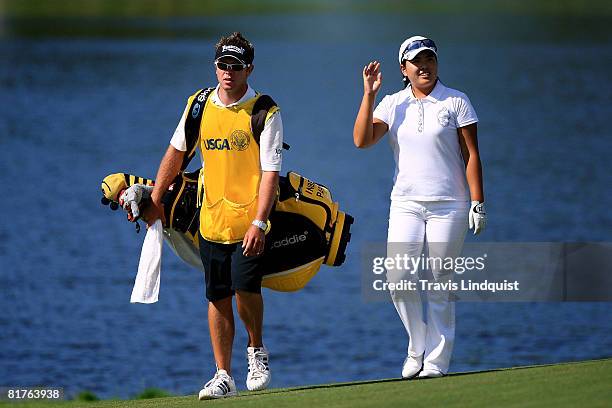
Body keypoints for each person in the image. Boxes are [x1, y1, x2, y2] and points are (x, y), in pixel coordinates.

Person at [143, 32, 283, 399]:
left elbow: (270, 172)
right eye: (223, 65)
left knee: (244, 289)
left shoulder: (265, 112)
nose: (228, 72)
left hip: (250, 222)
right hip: (211, 220)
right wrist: (155, 200)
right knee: (216, 296)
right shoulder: (199, 105)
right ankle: (223, 374)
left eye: (236, 66)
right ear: (215, 66)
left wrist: (259, 221)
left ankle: (256, 349)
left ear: (249, 68)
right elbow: (176, 153)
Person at [353, 36, 486, 379]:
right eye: (416, 61)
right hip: (406, 203)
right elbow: (362, 140)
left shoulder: (456, 101)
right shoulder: (392, 103)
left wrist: (478, 202)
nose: (424, 66)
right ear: (404, 68)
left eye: (430, 59)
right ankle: (417, 345)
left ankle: (437, 361)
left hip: (450, 204)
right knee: (398, 278)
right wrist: (368, 94)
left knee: (440, 280)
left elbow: (471, 154)